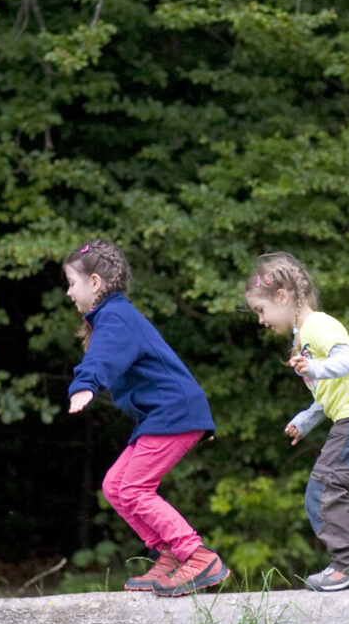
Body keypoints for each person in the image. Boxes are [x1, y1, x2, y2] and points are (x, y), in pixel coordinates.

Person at [63, 239, 227, 596]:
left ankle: (197, 556)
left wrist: (86, 384)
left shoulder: (115, 317)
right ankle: (169, 553)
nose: (69, 292)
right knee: (115, 486)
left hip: (175, 412)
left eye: (72, 283)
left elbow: (102, 356)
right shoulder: (112, 316)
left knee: (134, 488)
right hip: (163, 415)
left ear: (94, 283)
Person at [244, 253, 349, 591]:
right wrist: (306, 420)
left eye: (261, 310)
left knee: (323, 489)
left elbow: (346, 361)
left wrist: (315, 367)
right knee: (331, 487)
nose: (260, 320)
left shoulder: (317, 325)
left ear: (282, 297)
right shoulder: (304, 337)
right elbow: (328, 392)